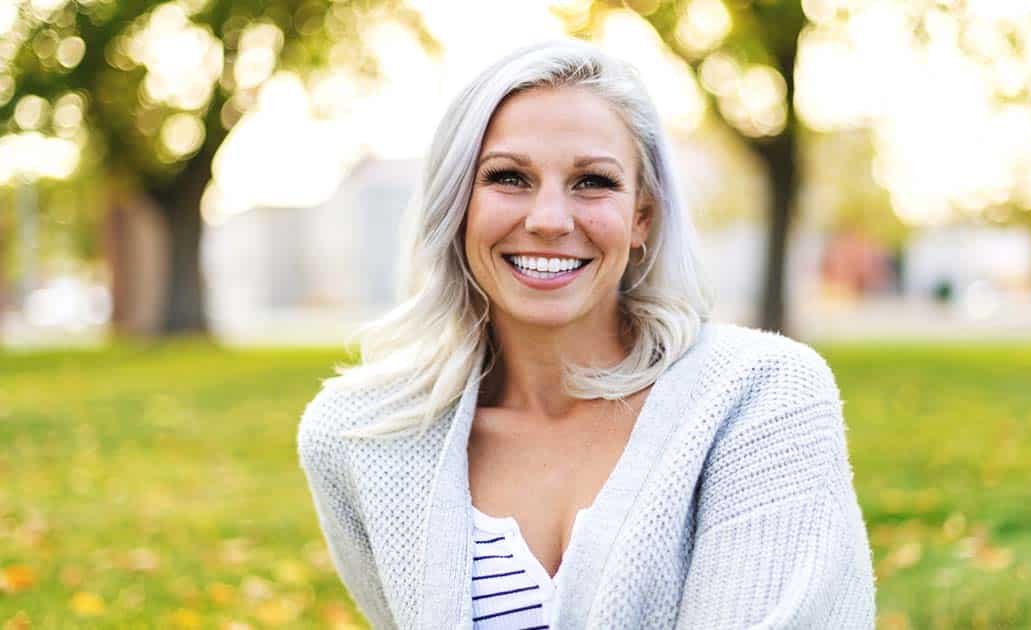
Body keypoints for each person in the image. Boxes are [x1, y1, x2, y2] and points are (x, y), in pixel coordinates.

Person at [297, 38, 876, 629]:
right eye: (509, 177)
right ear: (457, 205)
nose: (549, 219)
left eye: (593, 182)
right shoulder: (362, 438)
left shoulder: (760, 397)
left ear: (642, 217)